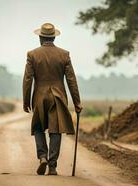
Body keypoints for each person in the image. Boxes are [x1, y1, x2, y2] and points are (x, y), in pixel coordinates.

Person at [23, 23, 82, 175]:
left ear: (40, 38)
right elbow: (71, 80)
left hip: (39, 97)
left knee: (38, 128)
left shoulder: (32, 54)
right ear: (54, 37)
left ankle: (42, 156)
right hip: (58, 96)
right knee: (56, 130)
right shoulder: (64, 54)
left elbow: (28, 79)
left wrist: (26, 101)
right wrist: (77, 102)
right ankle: (53, 166)